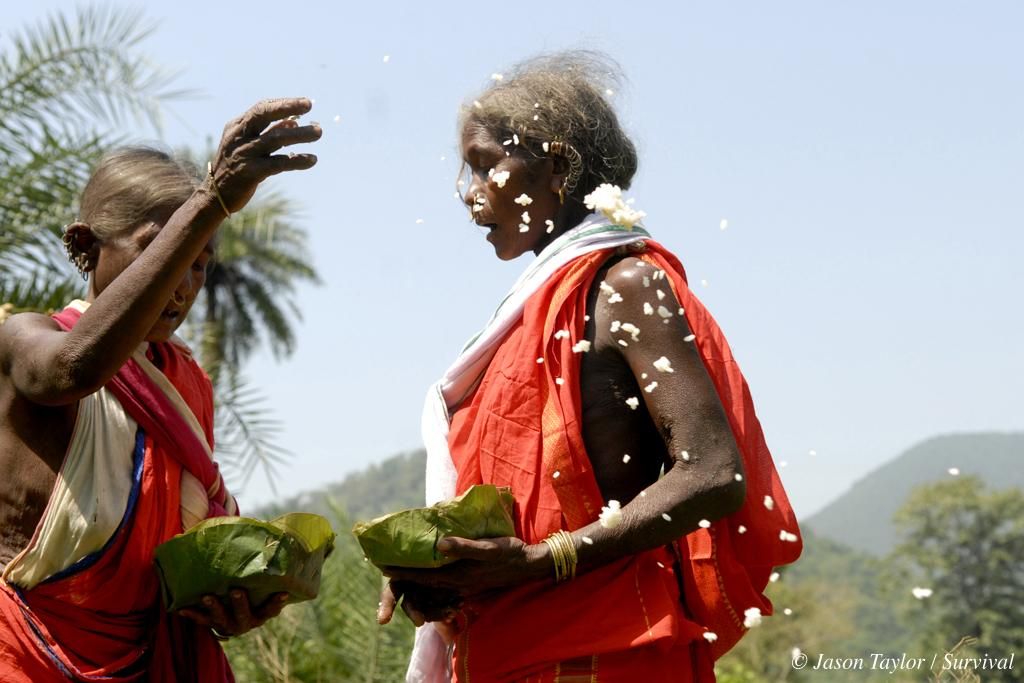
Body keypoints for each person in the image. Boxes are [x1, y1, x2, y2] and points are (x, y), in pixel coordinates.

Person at [378, 53, 802, 682]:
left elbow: (713, 474)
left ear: (556, 166)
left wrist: (540, 562)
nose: (471, 195)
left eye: (487, 164)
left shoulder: (625, 285)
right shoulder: (523, 317)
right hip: (509, 643)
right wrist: (445, 574)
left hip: (607, 648)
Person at [0, 98, 320, 681]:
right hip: (27, 652)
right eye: (162, 250)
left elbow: (172, 562)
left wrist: (228, 602)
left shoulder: (187, 383)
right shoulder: (24, 338)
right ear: (85, 245)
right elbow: (71, 371)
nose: (182, 284)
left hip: (156, 659)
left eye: (200, 264)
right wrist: (210, 200)